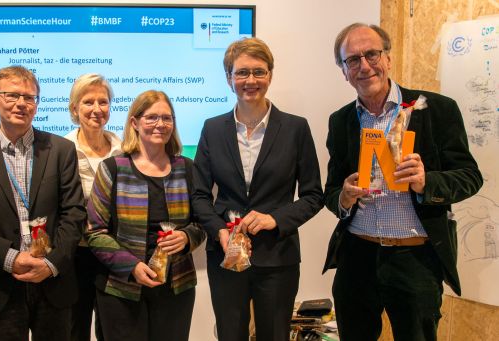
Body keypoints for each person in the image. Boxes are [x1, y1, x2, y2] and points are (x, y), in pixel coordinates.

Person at [323, 23, 483, 340]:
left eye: (371, 54)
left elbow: (469, 177)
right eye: (352, 60)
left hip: (415, 260)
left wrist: (427, 182)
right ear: (344, 71)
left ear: (388, 58)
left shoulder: (437, 109)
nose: (364, 65)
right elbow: (331, 191)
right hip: (357, 257)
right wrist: (344, 197)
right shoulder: (340, 120)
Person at [192, 37, 324, 341]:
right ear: (229, 79)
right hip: (226, 255)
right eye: (241, 73)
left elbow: (313, 195)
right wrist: (219, 232)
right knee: (230, 334)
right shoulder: (212, 129)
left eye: (259, 72)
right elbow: (199, 194)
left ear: (270, 75)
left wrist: (275, 219)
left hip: (278, 256)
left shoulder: (295, 128)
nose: (250, 80)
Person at [0, 65, 85, 340]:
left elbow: (74, 214)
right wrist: (12, 258)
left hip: (53, 282)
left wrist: (50, 263)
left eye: (29, 97)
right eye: (12, 95)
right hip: (0, 282)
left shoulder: (61, 150)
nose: (21, 104)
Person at [86, 90, 205, 340]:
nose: (160, 125)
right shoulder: (112, 169)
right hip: (121, 289)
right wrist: (132, 266)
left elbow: (202, 223)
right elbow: (94, 232)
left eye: (167, 118)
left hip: (176, 288)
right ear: (134, 123)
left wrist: (186, 238)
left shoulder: (187, 168)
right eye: (151, 118)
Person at [64, 73, 122, 341]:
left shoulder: (124, 150)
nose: (97, 109)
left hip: (115, 251)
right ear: (75, 108)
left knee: (111, 328)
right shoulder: (61, 150)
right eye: (88, 102)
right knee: (75, 326)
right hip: (77, 253)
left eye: (103, 101)